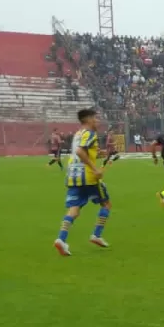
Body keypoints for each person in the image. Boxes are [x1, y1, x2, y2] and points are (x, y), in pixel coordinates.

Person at [53, 108, 111, 256]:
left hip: (73, 175)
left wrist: (97, 154)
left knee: (74, 209)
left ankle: (61, 239)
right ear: (89, 120)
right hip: (88, 176)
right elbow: (80, 152)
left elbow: (82, 152)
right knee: (106, 204)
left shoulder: (78, 134)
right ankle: (96, 235)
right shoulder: (90, 134)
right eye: (96, 118)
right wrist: (95, 169)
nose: (98, 121)